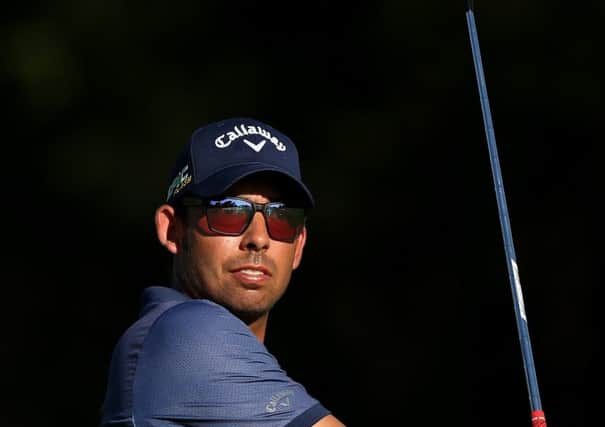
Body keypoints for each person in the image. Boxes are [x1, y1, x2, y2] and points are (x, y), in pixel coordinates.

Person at [100, 117, 346, 427]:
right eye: (228, 212)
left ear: (298, 245)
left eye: (281, 217)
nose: (258, 239)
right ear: (173, 229)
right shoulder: (185, 332)